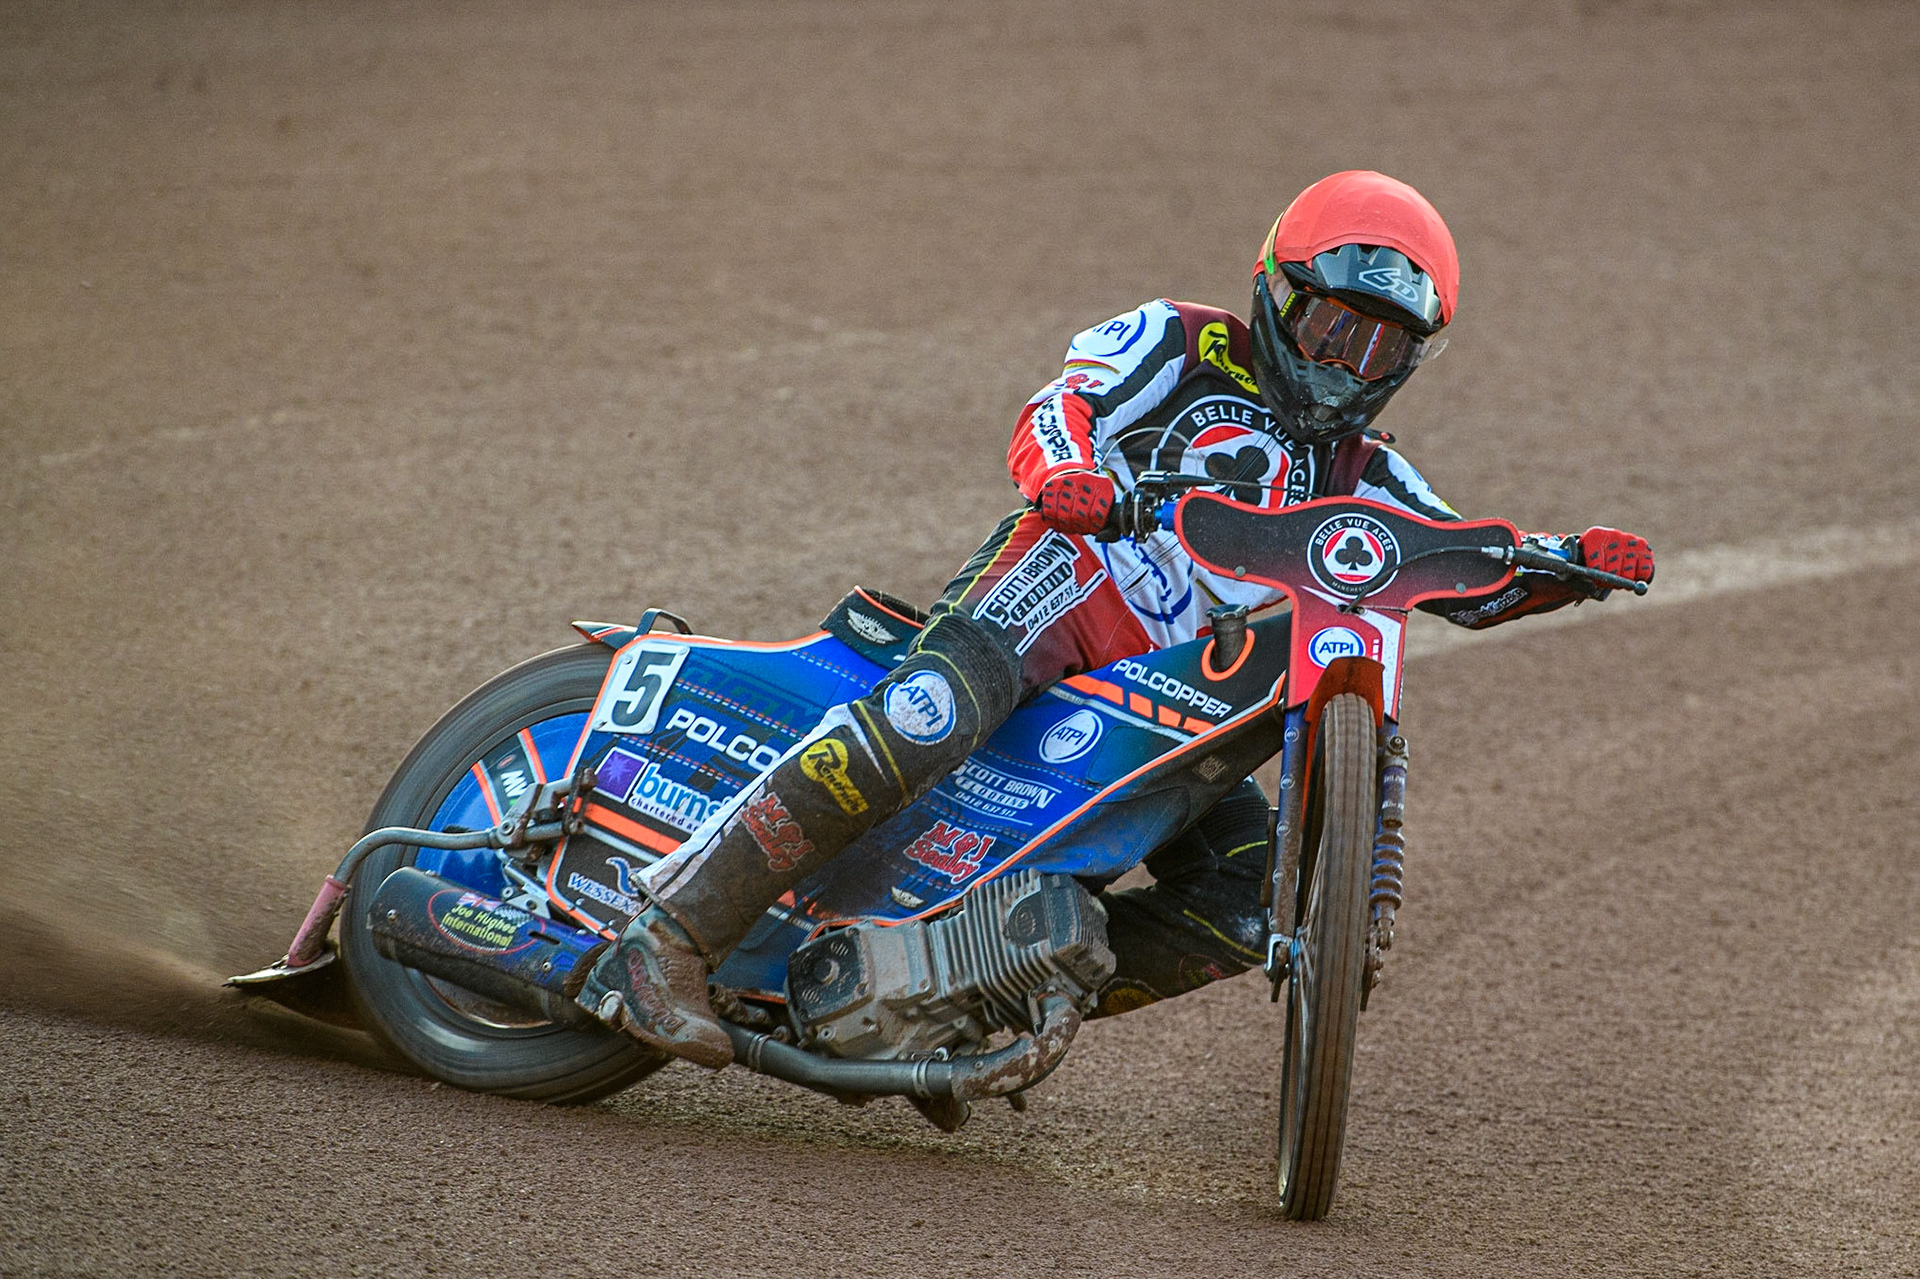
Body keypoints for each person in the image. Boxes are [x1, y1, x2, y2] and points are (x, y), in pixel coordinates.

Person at [572, 170, 1656, 1067]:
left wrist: (1564, 566)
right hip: (1062, 589)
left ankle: (966, 1000)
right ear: (1277, 295)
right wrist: (1070, 476)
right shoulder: (1178, 343)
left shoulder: (1376, 478)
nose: (1341, 363)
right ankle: (663, 937)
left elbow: (1457, 573)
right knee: (927, 716)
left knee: (1244, 900)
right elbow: (1058, 408)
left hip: (1170, 704)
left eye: (1375, 348)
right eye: (1329, 325)